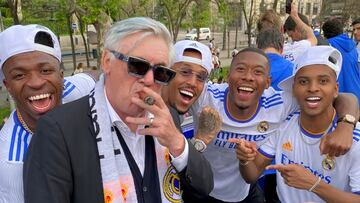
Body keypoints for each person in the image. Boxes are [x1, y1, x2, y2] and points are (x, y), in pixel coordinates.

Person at [24, 17, 214, 203]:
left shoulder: (167, 117)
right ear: (107, 61)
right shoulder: (59, 131)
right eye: (138, 65)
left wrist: (178, 144)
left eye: (160, 71)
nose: (149, 80)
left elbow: (203, 188)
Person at [188, 47, 358, 203]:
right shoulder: (207, 98)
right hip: (201, 189)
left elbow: (345, 98)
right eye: (240, 69)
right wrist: (245, 159)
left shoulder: (280, 106)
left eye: (323, 81)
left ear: (268, 82)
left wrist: (346, 125)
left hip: (243, 194)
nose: (313, 88)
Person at [0, 24, 97, 203]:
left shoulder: (72, 90)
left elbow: (96, 77)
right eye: (20, 75)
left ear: (61, 76)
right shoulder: (10, 162)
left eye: (45, 71)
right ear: (8, 86)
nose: (36, 83)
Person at [161, 40, 221, 202]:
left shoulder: (172, 115)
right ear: (167, 72)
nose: (192, 83)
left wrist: (199, 142)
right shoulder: (144, 113)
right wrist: (200, 140)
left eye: (201, 77)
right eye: (185, 72)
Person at [322, 18, 360, 107]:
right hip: (356, 95)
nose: (355, 32)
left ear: (325, 33)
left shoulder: (327, 46)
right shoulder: (352, 46)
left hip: (341, 99)